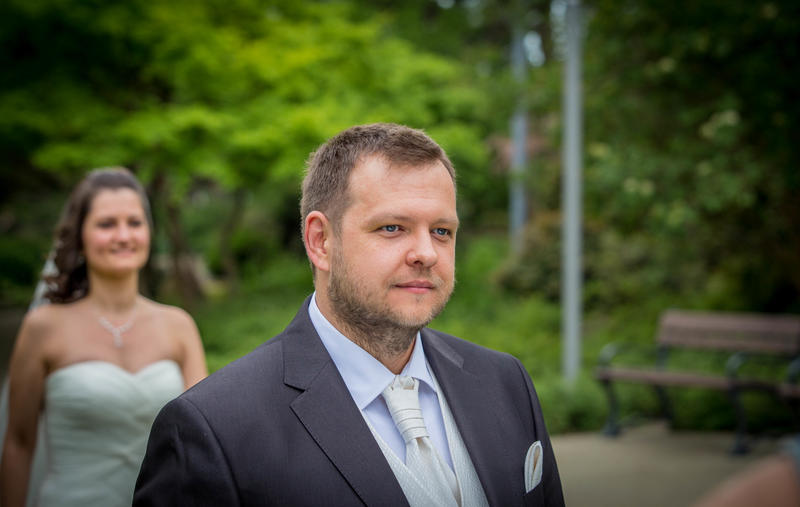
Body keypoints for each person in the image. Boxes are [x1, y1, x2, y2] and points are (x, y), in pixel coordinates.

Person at [134, 123, 564, 506]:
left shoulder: (506, 383)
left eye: (441, 231)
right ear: (320, 241)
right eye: (392, 228)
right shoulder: (214, 429)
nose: (427, 253)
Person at [0, 167, 208, 507]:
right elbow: (19, 444)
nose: (123, 236)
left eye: (135, 222)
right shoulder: (43, 328)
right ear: (79, 236)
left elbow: (201, 441)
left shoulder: (178, 326)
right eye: (106, 224)